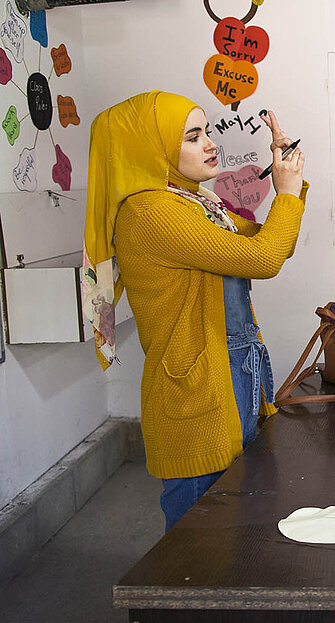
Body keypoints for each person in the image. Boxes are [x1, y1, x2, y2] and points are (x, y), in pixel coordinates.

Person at [81, 91, 307, 531]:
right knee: (198, 547)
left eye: (206, 132)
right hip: (198, 395)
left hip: (231, 379)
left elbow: (275, 241)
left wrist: (291, 185)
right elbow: (263, 259)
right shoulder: (151, 212)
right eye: (192, 136)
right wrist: (287, 191)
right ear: (152, 147)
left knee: (237, 533)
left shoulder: (195, 203)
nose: (209, 144)